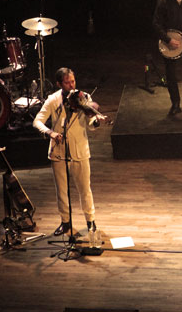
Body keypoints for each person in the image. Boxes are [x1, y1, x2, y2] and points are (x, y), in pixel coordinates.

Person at [32, 67, 107, 237]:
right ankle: (65, 223)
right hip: (59, 151)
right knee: (62, 190)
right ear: (59, 84)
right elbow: (37, 121)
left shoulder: (84, 97)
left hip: (80, 149)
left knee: (85, 189)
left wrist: (95, 121)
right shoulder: (53, 100)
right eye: (67, 82)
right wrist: (50, 133)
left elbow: (90, 124)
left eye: (73, 81)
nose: (72, 85)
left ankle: (91, 221)